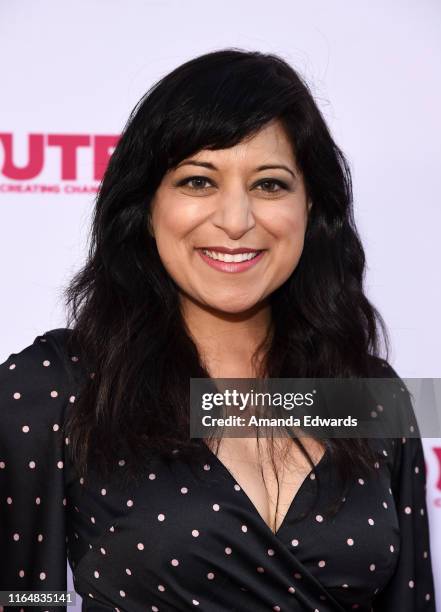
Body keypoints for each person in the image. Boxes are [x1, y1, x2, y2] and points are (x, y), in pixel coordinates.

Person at [0, 48, 436, 612]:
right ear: (146, 206)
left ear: (312, 208)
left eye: (270, 185)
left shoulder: (370, 396)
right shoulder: (58, 385)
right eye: (199, 181)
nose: (236, 221)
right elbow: (18, 599)